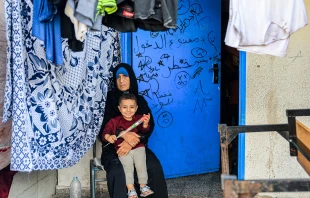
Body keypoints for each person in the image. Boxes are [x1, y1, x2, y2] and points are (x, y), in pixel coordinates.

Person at [99, 63, 168, 198]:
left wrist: (131, 142)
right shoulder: (109, 100)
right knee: (117, 171)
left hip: (137, 145)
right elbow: (103, 129)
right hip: (113, 149)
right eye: (118, 77)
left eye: (125, 76)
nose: (121, 80)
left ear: (131, 78)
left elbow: (148, 126)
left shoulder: (140, 101)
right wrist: (123, 135)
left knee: (153, 166)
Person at [103, 93, 154, 198]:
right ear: (119, 108)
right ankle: (131, 189)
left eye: (132, 107)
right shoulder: (115, 121)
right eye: (124, 107)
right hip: (122, 149)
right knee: (127, 167)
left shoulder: (138, 119)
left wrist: (145, 124)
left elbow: (145, 131)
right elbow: (106, 132)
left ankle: (143, 187)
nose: (128, 110)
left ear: (136, 108)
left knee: (141, 165)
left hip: (138, 148)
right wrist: (108, 137)